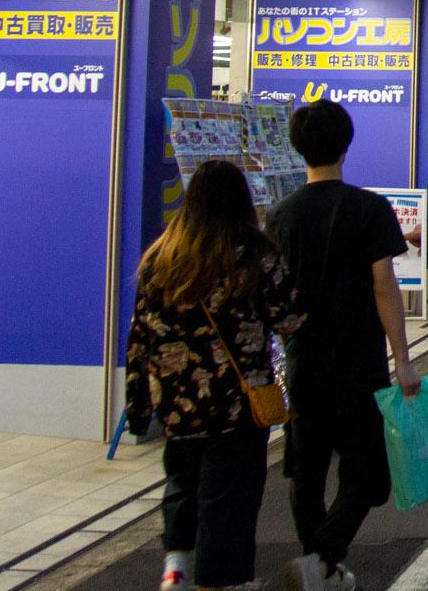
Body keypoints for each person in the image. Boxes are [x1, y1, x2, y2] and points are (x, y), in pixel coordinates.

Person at [126, 160, 302, 591]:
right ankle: (223, 582)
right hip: (237, 405)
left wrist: (138, 405)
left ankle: (176, 569)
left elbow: (140, 338)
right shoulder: (255, 255)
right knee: (229, 499)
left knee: (182, 484)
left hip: (176, 403)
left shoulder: (160, 259)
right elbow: (291, 319)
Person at [270, 100, 420, 591]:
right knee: (370, 476)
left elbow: (271, 296)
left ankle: (319, 566)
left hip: (304, 364)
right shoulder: (368, 208)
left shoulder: (280, 217)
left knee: (306, 473)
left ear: (298, 148)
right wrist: (402, 358)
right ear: (346, 145)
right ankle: (323, 563)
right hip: (359, 362)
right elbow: (384, 286)